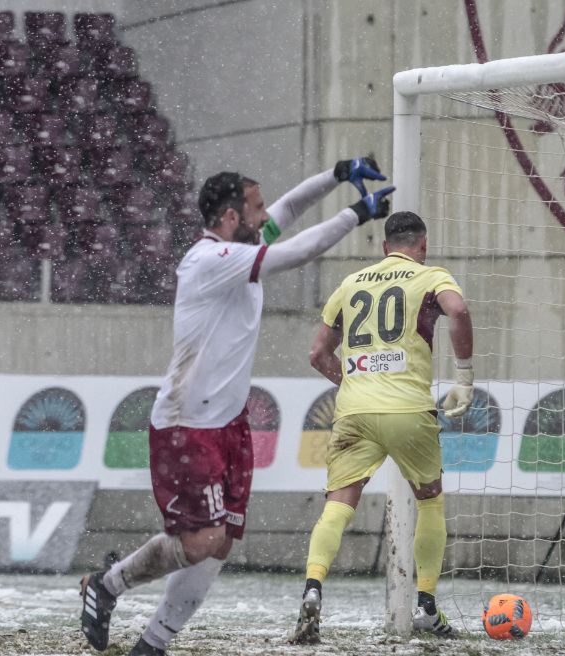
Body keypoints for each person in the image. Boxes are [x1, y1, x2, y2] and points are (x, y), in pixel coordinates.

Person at [80, 159, 394, 656]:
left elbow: (289, 209)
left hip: (228, 423)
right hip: (187, 425)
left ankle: (152, 645)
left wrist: (336, 175)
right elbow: (296, 251)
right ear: (231, 217)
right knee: (202, 540)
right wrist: (356, 213)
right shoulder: (211, 258)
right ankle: (108, 584)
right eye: (256, 208)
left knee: (220, 541)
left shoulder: (239, 245)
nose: (266, 216)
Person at [292, 211, 473, 643]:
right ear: (423, 245)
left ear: (385, 246)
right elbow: (459, 310)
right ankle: (425, 606)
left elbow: (317, 354)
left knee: (338, 507)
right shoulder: (431, 276)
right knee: (429, 502)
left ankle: (313, 587)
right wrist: (464, 375)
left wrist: (353, 382)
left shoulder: (350, 283)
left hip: (354, 412)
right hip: (409, 410)